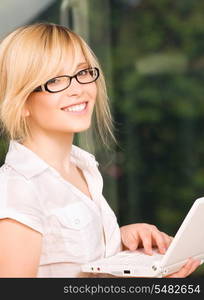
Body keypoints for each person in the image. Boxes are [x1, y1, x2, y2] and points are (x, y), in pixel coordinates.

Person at [0, 23, 200, 278]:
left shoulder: (82, 169)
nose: (77, 89)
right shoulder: (18, 190)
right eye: (55, 80)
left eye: (83, 73)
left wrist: (116, 243)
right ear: (21, 102)